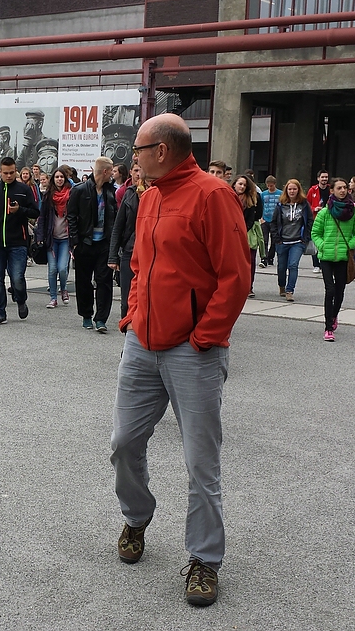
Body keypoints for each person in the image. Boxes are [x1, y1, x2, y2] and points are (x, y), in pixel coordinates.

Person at [111, 113, 249, 607]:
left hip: (193, 351)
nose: (134, 158)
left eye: (139, 150)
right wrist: (132, 315)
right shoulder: (149, 197)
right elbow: (139, 266)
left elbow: (236, 275)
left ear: (162, 151)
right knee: (123, 443)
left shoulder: (213, 195)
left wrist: (204, 337)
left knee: (200, 462)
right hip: (142, 344)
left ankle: (204, 559)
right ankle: (137, 517)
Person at [0, 157, 39, 325]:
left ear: (16, 171)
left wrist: (20, 210)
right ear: (0, 172)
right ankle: (0, 312)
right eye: (6, 173)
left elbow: (35, 212)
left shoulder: (23, 190)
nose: (9, 176)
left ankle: (21, 299)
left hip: (18, 242)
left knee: (17, 277)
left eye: (12, 172)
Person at [311, 178, 355, 342]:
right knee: (330, 290)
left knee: (340, 290)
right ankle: (328, 328)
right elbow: (315, 233)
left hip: (343, 257)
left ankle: (334, 315)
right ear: (332, 190)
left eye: (345, 188)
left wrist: (350, 244)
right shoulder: (325, 212)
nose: (342, 190)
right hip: (326, 257)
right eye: (339, 188)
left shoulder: (354, 211)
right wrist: (323, 245)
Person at [68, 156, 118, 332]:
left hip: (104, 243)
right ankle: (86, 315)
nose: (113, 174)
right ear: (105, 171)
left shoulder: (111, 191)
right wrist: (75, 242)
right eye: (111, 170)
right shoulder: (80, 190)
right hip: (85, 242)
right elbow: (71, 216)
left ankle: (101, 319)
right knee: (84, 281)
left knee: (104, 281)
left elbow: (115, 216)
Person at [108, 166, 145, 319]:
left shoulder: (157, 192)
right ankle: (127, 328)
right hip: (130, 250)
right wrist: (113, 256)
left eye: (141, 170)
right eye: (136, 170)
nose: (139, 174)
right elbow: (118, 226)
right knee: (127, 300)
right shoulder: (129, 193)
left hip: (149, 253)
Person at [270, 179, 313, 302]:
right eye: (290, 189)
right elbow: (274, 222)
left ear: (298, 190)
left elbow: (310, 221)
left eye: (294, 189)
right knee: (281, 267)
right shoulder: (280, 205)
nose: (292, 191)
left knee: (293, 265)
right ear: (286, 191)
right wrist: (276, 238)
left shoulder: (304, 204)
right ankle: (282, 286)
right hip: (282, 241)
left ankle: (290, 290)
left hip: (298, 241)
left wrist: (305, 238)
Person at [36, 168, 72, 308]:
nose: (59, 179)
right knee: (52, 269)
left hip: (65, 239)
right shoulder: (48, 196)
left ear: (65, 179)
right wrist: (40, 236)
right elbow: (42, 218)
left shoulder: (71, 194)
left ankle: (63, 289)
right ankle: (53, 297)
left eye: (61, 177)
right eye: (57, 177)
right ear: (53, 179)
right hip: (51, 239)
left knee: (62, 268)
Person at [232, 174, 263, 298]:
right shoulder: (228, 196)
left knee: (250, 261)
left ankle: (248, 287)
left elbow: (255, 217)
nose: (242, 187)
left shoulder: (252, 198)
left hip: (246, 233)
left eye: (244, 185)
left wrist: (242, 230)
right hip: (230, 233)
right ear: (234, 184)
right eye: (240, 184)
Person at [306, 169, 331, 273]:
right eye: (322, 177)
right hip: (315, 219)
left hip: (328, 219)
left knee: (327, 241)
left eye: (326, 177)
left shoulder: (331, 190)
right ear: (318, 178)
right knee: (315, 241)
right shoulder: (312, 190)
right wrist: (314, 208)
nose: (324, 179)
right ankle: (316, 264)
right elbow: (307, 204)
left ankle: (325, 263)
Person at [258, 175, 279, 267]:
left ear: (275, 184)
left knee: (274, 240)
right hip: (265, 219)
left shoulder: (280, 194)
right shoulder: (263, 194)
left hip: (275, 220)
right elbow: (261, 206)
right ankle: (264, 258)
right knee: (264, 240)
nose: (270, 187)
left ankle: (271, 257)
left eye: (271, 185)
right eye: (268, 186)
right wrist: (261, 218)